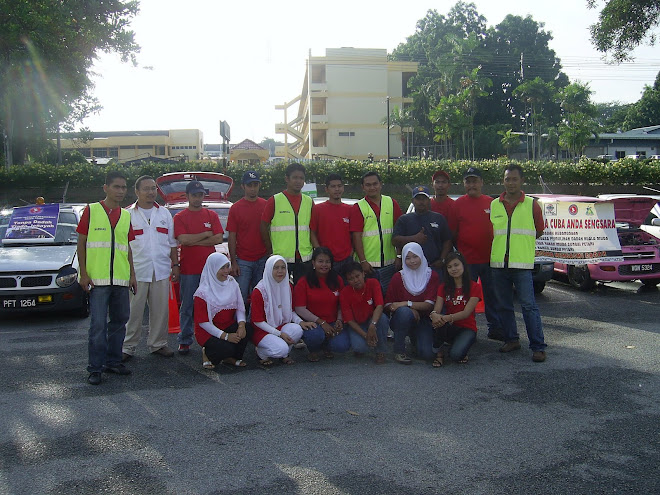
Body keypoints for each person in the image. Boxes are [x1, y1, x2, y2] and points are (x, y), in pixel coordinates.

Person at [77, 171, 137, 385]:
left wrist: (132, 275)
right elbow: (81, 243)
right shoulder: (91, 211)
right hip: (97, 280)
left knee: (120, 322)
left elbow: (127, 248)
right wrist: (83, 273)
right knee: (98, 325)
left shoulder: (126, 215)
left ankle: (113, 361)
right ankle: (95, 368)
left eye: (123, 187)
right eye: (116, 187)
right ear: (106, 188)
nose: (121, 191)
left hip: (121, 279)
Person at [490, 164, 547, 362]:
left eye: (514, 179)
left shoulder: (532, 204)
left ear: (521, 181)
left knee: (529, 306)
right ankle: (511, 339)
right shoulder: (494, 204)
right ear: (503, 181)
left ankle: (538, 346)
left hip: (521, 265)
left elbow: (539, 230)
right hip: (499, 264)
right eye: (507, 179)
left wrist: (521, 248)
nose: (510, 182)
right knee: (504, 305)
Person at [122, 175, 178, 362]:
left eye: (153, 188)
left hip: (161, 269)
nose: (150, 192)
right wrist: (128, 272)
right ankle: (127, 346)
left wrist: (175, 265)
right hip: (137, 271)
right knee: (133, 311)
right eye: (146, 188)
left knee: (160, 311)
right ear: (136, 192)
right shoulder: (127, 215)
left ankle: (158, 344)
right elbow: (124, 247)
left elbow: (172, 244)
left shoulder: (164, 214)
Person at [452, 167, 504, 341]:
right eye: (468, 181)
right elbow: (453, 232)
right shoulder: (457, 204)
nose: (471, 184)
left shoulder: (492, 203)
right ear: (464, 184)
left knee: (492, 295)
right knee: (466, 296)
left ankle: (495, 327)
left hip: (490, 259)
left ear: (481, 183)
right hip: (467, 261)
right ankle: (468, 329)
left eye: (475, 181)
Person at [173, 180, 224, 355]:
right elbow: (183, 240)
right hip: (189, 269)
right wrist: (204, 234)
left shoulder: (212, 215)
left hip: (210, 271)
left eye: (200, 195)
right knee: (188, 306)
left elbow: (218, 238)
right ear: (187, 196)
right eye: (194, 195)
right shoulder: (180, 217)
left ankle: (215, 336)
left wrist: (194, 240)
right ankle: (185, 340)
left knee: (213, 305)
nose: (197, 198)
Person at [250, 255, 316, 365]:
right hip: (262, 331)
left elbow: (291, 311)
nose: (280, 271)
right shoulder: (259, 290)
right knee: (281, 349)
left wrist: (301, 322)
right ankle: (261, 352)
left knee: (297, 329)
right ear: (269, 269)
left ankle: (284, 354)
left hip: (280, 325)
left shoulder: (288, 286)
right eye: (276, 268)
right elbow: (257, 321)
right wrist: (279, 334)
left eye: (283, 267)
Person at [193, 253, 252, 369]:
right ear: (213, 269)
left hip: (227, 325)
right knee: (226, 348)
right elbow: (203, 323)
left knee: (248, 329)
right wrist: (225, 336)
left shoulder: (232, 283)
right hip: (208, 332)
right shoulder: (202, 292)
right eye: (222, 268)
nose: (226, 271)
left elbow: (240, 307)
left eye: (227, 266)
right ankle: (207, 353)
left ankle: (229, 357)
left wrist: (241, 325)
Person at [385, 242, 440, 364]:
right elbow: (389, 304)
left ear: (421, 255)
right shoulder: (398, 277)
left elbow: (429, 305)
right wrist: (408, 309)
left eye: (415, 256)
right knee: (405, 313)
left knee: (427, 354)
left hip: (425, 319)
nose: (412, 261)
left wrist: (408, 304)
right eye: (408, 258)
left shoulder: (432, 275)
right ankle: (399, 350)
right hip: (401, 319)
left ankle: (415, 338)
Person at [349, 171, 402, 295]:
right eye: (368, 185)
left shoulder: (391, 203)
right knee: (370, 299)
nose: (372, 187)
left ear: (381, 184)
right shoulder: (359, 207)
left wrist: (399, 256)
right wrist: (363, 261)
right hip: (369, 266)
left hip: (390, 263)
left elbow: (399, 232)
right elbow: (356, 236)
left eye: (375, 184)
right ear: (363, 187)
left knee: (389, 297)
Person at [294, 247, 350, 362]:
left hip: (333, 321)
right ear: (313, 263)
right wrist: (321, 322)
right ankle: (313, 350)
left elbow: (342, 304)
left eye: (327, 261)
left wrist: (339, 320)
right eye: (320, 261)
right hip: (313, 323)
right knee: (316, 336)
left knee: (342, 346)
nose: (324, 265)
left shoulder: (337, 279)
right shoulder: (303, 281)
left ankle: (326, 346)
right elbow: (300, 309)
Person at [261, 163, 314, 284]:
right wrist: (270, 250)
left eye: (301, 178)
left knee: (301, 295)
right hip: (281, 258)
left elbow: (313, 229)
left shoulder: (309, 202)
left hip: (304, 258)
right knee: (281, 294)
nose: (298, 181)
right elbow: (263, 226)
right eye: (295, 177)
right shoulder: (275, 200)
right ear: (287, 179)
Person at [430, 252, 482, 367]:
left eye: (456, 265)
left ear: (463, 265)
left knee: (456, 356)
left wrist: (445, 318)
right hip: (449, 326)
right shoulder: (443, 287)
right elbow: (437, 309)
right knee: (437, 322)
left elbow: (466, 313)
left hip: (467, 327)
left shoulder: (474, 287)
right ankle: (439, 355)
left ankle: (460, 346)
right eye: (449, 267)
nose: (453, 269)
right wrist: (434, 315)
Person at [392, 185, 453, 276]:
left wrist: (442, 259)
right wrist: (414, 238)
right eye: (418, 199)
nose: (421, 202)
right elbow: (395, 240)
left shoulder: (439, 218)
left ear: (429, 200)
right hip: (411, 267)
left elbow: (447, 241)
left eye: (424, 199)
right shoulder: (404, 219)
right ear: (412, 201)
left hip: (434, 267)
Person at [227, 170, 268, 303]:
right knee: (240, 296)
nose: (253, 188)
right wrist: (233, 261)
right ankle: (240, 322)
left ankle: (256, 322)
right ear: (243, 186)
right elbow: (232, 236)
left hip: (263, 258)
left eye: (255, 185)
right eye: (250, 185)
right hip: (243, 260)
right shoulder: (235, 208)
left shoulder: (266, 205)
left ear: (259, 186)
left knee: (261, 296)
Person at [339, 262, 389, 364]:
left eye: (357, 276)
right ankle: (362, 345)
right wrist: (366, 335)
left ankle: (381, 351)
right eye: (351, 279)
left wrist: (372, 325)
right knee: (360, 347)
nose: (356, 280)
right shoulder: (344, 292)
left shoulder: (373, 283)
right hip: (357, 324)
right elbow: (349, 320)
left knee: (383, 318)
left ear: (363, 273)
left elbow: (379, 305)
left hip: (372, 319)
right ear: (347, 280)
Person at [310, 173, 354, 274]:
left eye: (339, 186)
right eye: (333, 186)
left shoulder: (350, 210)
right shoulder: (318, 209)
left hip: (346, 259)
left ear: (343, 188)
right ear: (326, 189)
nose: (337, 189)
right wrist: (319, 253)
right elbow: (312, 233)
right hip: (326, 261)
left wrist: (351, 253)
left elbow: (354, 234)